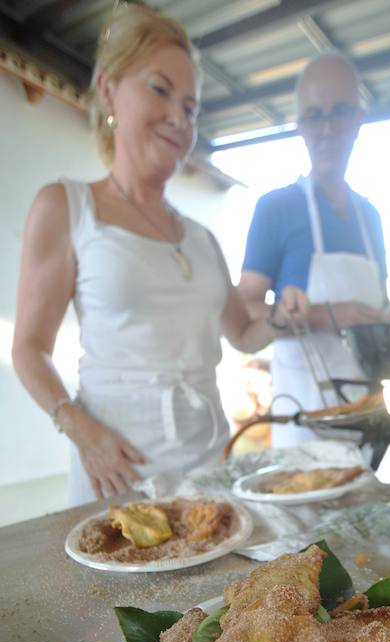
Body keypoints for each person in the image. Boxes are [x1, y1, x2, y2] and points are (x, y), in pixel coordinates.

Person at [12, 4, 306, 506]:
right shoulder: (67, 207)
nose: (178, 117)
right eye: (159, 89)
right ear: (109, 87)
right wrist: (83, 432)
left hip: (211, 471)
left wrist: (280, 318)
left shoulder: (202, 237)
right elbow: (28, 349)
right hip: (118, 472)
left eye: (190, 108)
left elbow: (243, 334)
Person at [238, 53, 390, 447]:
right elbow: (243, 312)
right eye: (314, 116)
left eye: (340, 112)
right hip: (302, 426)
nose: (327, 129)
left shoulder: (371, 217)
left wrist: (389, 319)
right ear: (299, 126)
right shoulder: (276, 208)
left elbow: (376, 303)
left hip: (366, 420)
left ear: (359, 119)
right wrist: (324, 316)